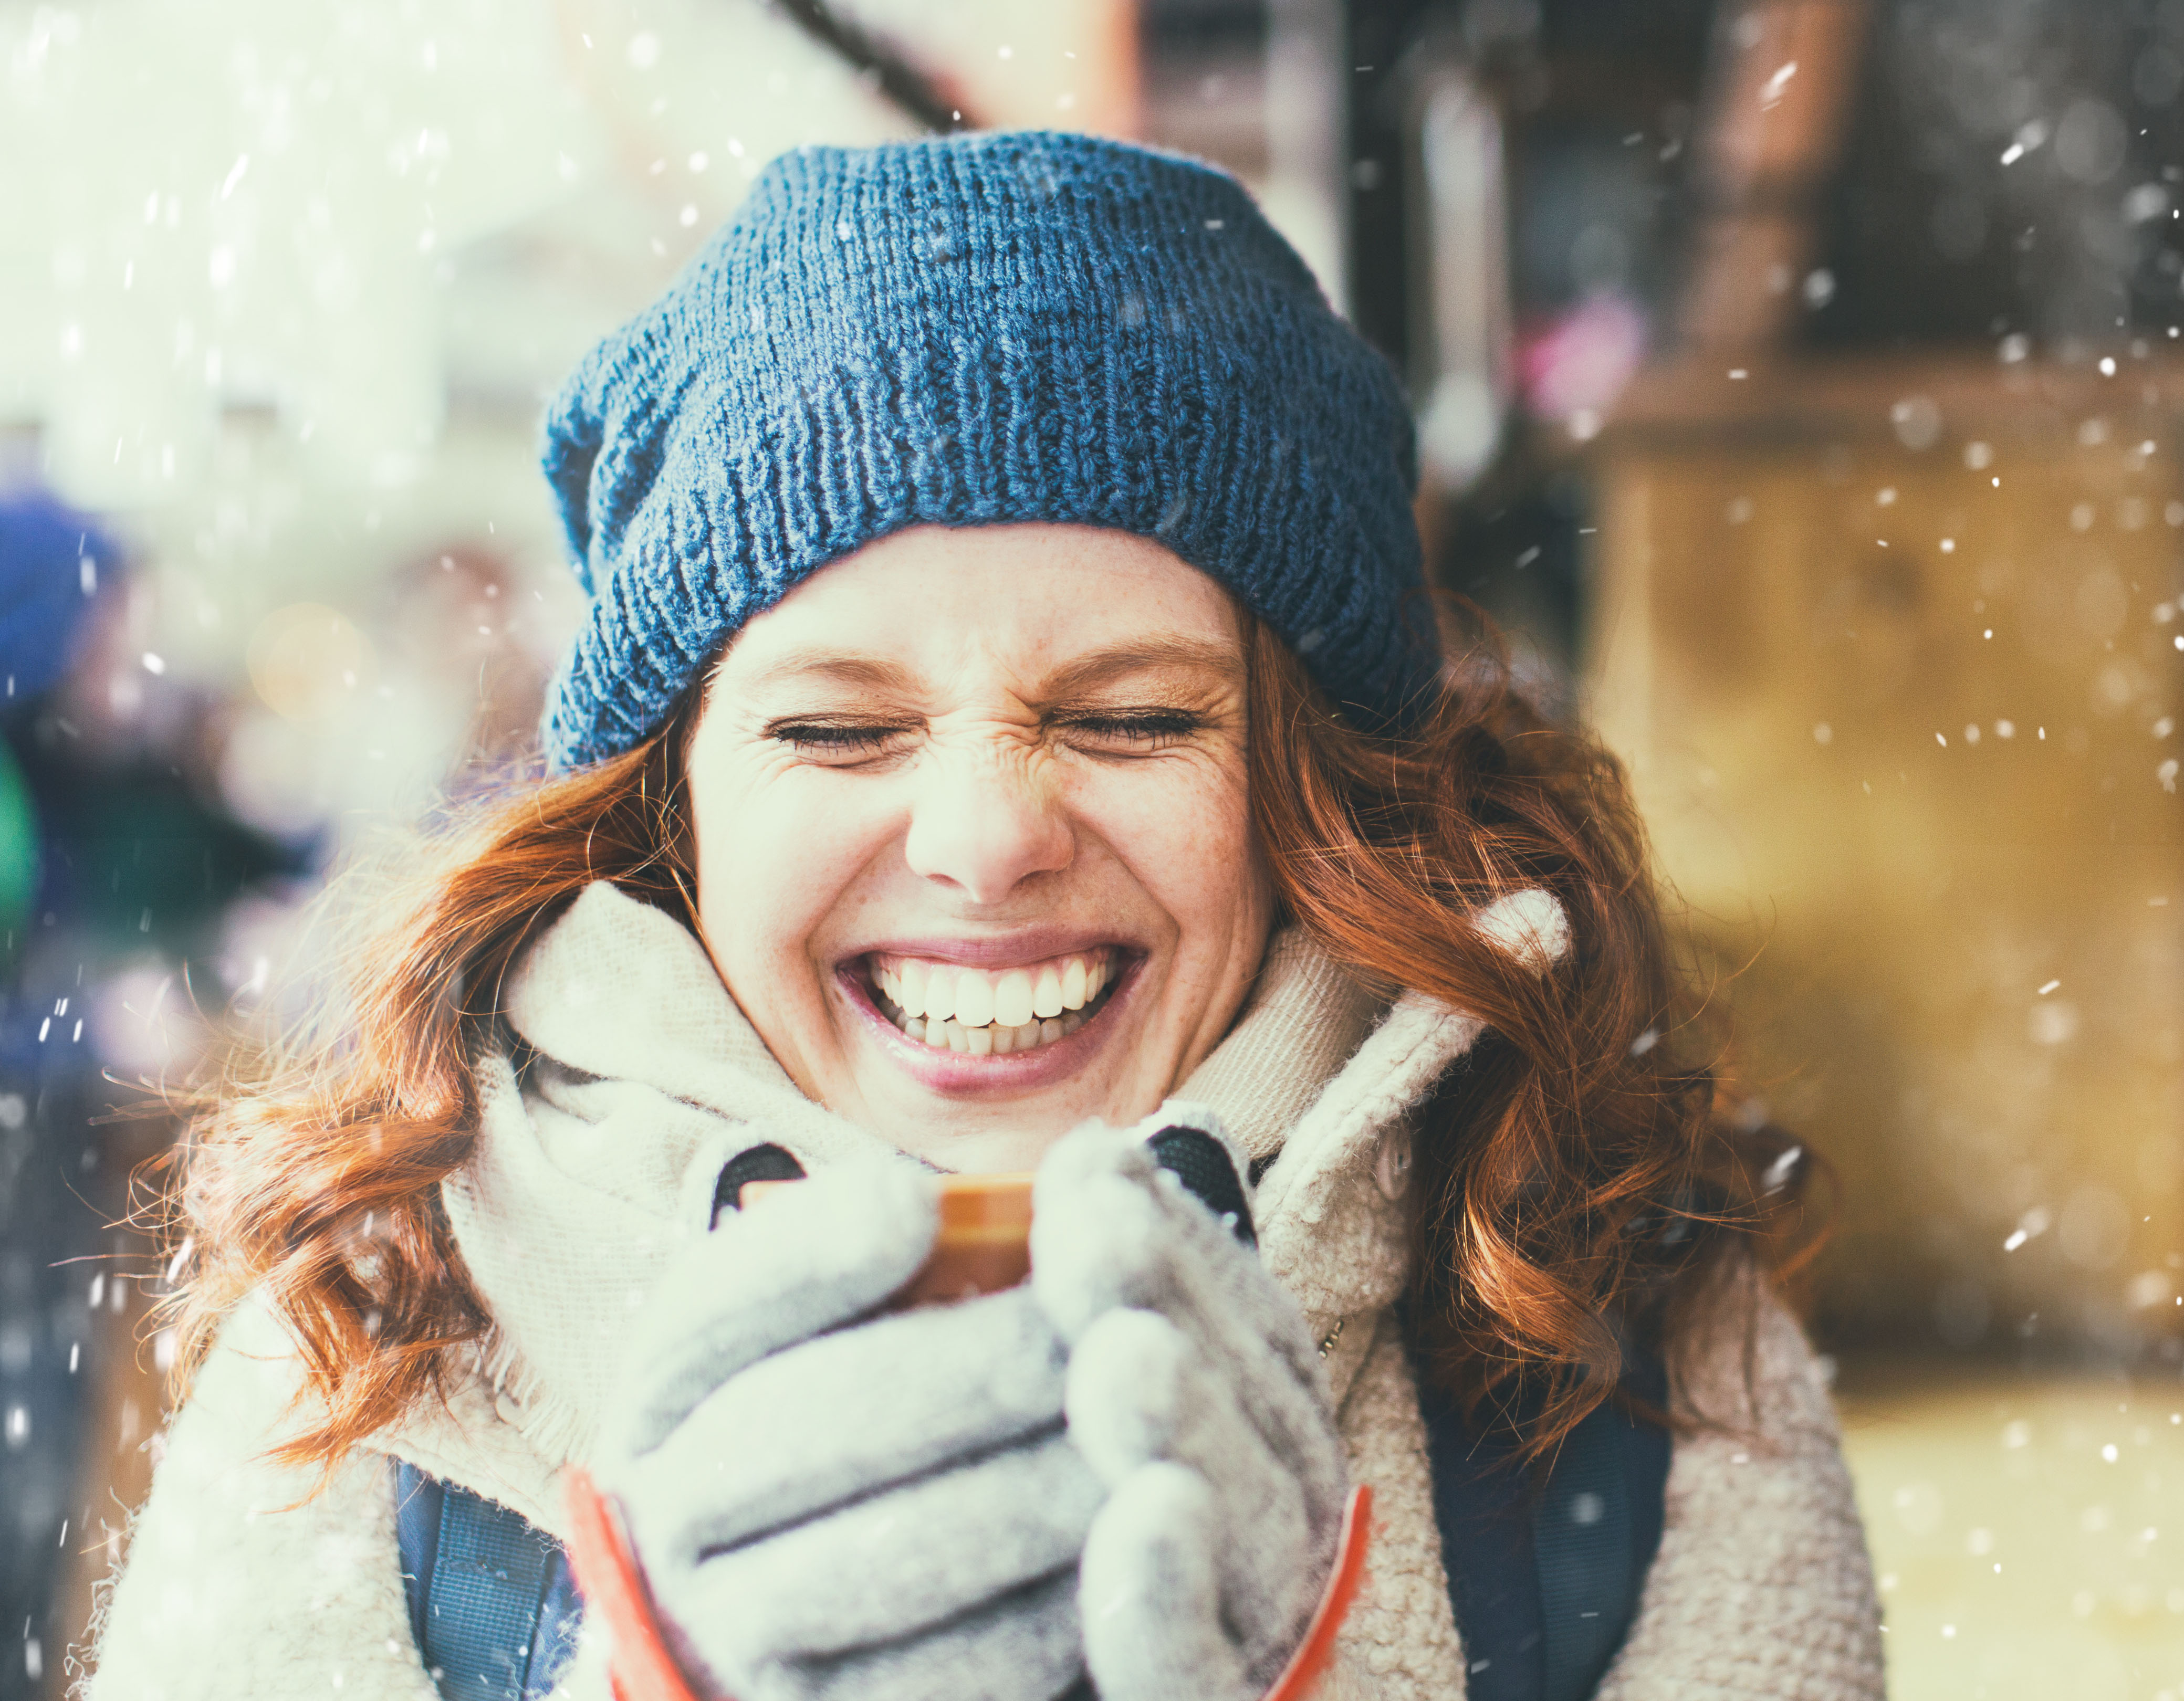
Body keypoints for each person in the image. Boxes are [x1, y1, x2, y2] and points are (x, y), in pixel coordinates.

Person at [88, 133, 1883, 1701]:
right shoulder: (372, 1340)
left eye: (1131, 716)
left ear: (1326, 793)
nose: (985, 838)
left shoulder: (1622, 1326)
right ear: (668, 815)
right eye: (838, 729)